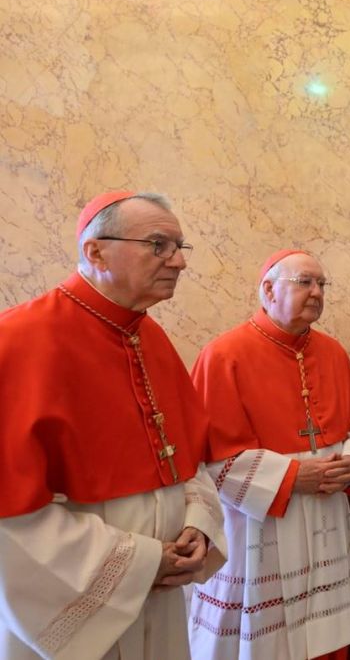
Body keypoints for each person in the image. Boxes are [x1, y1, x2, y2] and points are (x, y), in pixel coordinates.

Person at [0, 190, 227, 660]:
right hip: (79, 601)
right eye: (159, 245)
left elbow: (186, 462)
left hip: (161, 594)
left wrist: (197, 526)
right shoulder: (17, 341)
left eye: (180, 248)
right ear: (95, 251)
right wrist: (141, 564)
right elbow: (10, 519)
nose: (178, 262)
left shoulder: (152, 338)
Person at [188, 249, 350, 660]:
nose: (316, 292)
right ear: (269, 289)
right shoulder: (223, 355)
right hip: (259, 526)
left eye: (322, 284)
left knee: (326, 636)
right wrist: (291, 478)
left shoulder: (332, 352)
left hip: (326, 516)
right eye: (304, 281)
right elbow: (209, 461)